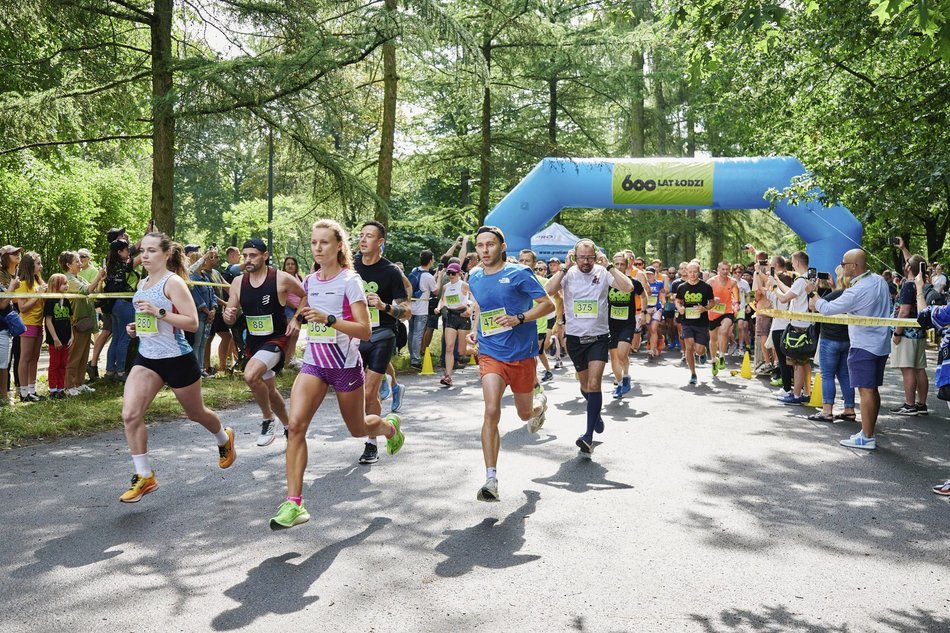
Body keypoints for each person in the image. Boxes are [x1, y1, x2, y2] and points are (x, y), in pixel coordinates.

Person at [270, 220, 403, 529]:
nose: (317, 248)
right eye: (314, 242)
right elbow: (305, 306)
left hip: (344, 366)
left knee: (358, 429)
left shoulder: (350, 281)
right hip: (315, 363)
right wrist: (298, 320)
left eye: (324, 243)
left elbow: (365, 329)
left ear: (339, 246)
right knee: (296, 426)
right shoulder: (310, 280)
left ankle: (389, 428)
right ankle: (294, 503)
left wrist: (330, 319)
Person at [119, 232, 235, 502]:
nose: (144, 256)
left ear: (165, 254)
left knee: (196, 414)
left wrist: (158, 313)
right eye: (142, 251)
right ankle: (144, 475)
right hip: (148, 358)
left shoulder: (174, 283)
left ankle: (223, 437)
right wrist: (137, 328)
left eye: (150, 251)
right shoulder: (143, 283)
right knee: (130, 414)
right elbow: (150, 322)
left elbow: (192, 323)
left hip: (177, 357)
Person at [467, 226, 552, 501]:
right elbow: (481, 306)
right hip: (491, 352)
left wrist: (520, 318)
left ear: (502, 247)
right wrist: (474, 328)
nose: (485, 250)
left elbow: (547, 305)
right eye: (480, 245)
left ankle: (540, 406)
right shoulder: (475, 276)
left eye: (490, 245)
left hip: (521, 353)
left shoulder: (519, 273)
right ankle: (491, 479)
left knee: (524, 414)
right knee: (491, 410)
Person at [545, 239, 633, 455]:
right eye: (581, 257)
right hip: (575, 340)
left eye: (590, 257)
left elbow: (628, 287)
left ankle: (588, 437)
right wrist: (564, 267)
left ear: (597, 256)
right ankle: (596, 414)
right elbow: (547, 290)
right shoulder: (568, 273)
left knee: (594, 385)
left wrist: (609, 266)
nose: (585, 262)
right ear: (574, 257)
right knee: (585, 388)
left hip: (599, 337)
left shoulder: (603, 272)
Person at [223, 239, 304, 447]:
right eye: (245, 255)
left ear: (265, 255)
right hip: (254, 342)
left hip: (277, 338)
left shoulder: (281, 279)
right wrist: (228, 315)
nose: (248, 259)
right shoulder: (238, 282)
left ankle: (268, 419)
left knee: (250, 375)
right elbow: (229, 318)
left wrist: (296, 319)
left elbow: (305, 296)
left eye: (253, 255)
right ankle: (288, 427)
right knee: (269, 389)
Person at [810, 249, 892, 450]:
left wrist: (812, 294)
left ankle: (867, 436)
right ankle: (867, 432)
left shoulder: (857, 290)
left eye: (844, 263)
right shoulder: (879, 280)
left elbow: (827, 309)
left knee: (866, 391)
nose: (842, 265)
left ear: (854, 266)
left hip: (864, 345)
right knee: (872, 389)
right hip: (880, 343)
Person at [353, 221, 410, 466]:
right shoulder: (350, 267)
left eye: (369, 236)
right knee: (355, 394)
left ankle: (371, 444)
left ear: (380, 242)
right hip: (354, 334)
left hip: (382, 334)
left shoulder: (390, 272)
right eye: (361, 235)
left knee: (368, 392)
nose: (363, 239)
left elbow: (406, 311)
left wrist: (384, 306)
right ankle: (388, 428)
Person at [807, 265, 856, 423]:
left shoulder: (833, 295)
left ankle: (827, 410)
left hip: (830, 340)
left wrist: (812, 291)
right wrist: (833, 287)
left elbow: (814, 307)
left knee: (827, 375)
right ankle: (849, 409)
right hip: (847, 340)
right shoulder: (852, 294)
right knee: (845, 375)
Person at [770, 251, 813, 404]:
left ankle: (795, 395)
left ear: (798, 263)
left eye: (793, 262)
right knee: (805, 362)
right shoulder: (809, 278)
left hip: (799, 325)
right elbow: (790, 292)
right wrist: (776, 280)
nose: (792, 265)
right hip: (807, 324)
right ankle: (806, 392)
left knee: (798, 363)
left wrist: (774, 287)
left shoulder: (801, 280)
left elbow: (783, 298)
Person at [889, 254, 929, 416]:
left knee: (908, 370)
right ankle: (921, 404)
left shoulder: (908, 285)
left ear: (908, 268)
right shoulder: (923, 285)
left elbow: (904, 312)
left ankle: (909, 404)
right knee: (920, 369)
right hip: (920, 332)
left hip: (906, 334)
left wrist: (897, 332)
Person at [64, 250, 106, 396]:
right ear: (68, 265)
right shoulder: (68, 279)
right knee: (74, 355)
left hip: (87, 322)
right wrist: (98, 277)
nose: (80, 263)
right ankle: (69, 386)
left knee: (83, 355)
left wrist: (100, 280)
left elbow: (93, 290)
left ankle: (79, 383)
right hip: (77, 322)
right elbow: (86, 290)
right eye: (77, 261)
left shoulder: (79, 278)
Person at [607, 252, 646, 399]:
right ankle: (619, 383)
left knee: (622, 353)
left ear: (627, 265)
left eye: (622, 264)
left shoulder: (632, 282)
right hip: (611, 324)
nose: (618, 267)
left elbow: (643, 295)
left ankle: (626, 376)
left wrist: (643, 312)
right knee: (614, 357)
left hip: (627, 323)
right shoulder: (607, 282)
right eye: (616, 264)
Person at [102, 239, 139, 381]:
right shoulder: (125, 265)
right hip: (125, 305)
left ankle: (110, 371)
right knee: (124, 339)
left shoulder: (111, 265)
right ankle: (121, 372)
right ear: (119, 252)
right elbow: (141, 257)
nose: (128, 252)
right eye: (126, 250)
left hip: (114, 305)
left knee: (116, 338)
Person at [674, 261, 714, 386]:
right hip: (687, 321)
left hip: (701, 322)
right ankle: (693, 373)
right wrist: (679, 307)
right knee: (689, 346)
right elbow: (678, 301)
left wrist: (705, 308)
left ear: (699, 272)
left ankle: (703, 353)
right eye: (690, 272)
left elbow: (712, 302)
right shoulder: (682, 287)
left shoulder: (706, 287)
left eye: (695, 272)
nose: (692, 274)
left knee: (699, 349)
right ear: (686, 272)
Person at [14, 252, 47, 401]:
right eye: (38, 263)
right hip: (28, 324)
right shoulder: (22, 284)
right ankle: (24, 393)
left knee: (35, 358)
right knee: (25, 357)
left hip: (39, 323)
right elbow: (22, 308)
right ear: (30, 265)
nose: (40, 266)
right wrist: (37, 295)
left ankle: (32, 391)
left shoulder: (38, 282)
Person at [433, 262, 471, 387]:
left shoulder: (464, 285)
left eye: (453, 273)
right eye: (448, 273)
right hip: (451, 316)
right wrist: (438, 308)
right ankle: (447, 376)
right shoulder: (446, 286)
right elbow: (443, 300)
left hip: (462, 317)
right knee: (449, 347)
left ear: (459, 273)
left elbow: (474, 300)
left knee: (462, 351)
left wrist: (469, 309)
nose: (450, 275)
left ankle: (481, 352)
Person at [518, 249, 554, 382]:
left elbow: (556, 300)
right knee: (526, 355)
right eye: (521, 260)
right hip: (519, 325)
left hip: (539, 326)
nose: (524, 263)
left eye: (527, 261)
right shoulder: (513, 280)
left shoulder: (542, 281)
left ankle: (534, 384)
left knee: (533, 355)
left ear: (533, 264)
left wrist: (557, 321)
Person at [707, 261, 739, 375]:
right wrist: (712, 299)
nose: (725, 272)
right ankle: (714, 360)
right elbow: (704, 296)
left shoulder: (733, 282)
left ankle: (721, 356)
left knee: (724, 331)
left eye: (727, 269)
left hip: (727, 311)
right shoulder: (711, 282)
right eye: (723, 269)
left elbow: (736, 296)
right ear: (718, 269)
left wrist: (736, 305)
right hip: (713, 312)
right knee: (713, 339)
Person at [408, 249, 438, 369]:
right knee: (418, 334)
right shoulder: (428, 276)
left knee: (411, 333)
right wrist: (439, 278)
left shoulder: (414, 271)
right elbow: (435, 291)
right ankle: (416, 360)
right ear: (430, 261)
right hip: (421, 309)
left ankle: (411, 357)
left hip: (411, 307)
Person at [43, 274, 72, 400]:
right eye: (64, 283)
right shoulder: (50, 300)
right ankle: (53, 390)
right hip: (55, 340)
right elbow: (48, 320)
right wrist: (55, 338)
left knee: (63, 363)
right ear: (55, 285)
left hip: (66, 338)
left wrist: (72, 336)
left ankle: (61, 389)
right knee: (54, 364)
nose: (67, 286)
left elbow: (70, 319)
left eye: (67, 283)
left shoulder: (66, 300)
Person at [0, 245, 23, 402]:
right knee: (3, 364)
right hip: (4, 321)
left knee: (6, 361)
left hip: (9, 321)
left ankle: (6, 394)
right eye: (13, 253)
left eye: (18, 252)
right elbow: (3, 303)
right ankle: (4, 394)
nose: (17, 255)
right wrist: (13, 287)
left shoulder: (18, 274)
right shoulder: (2, 276)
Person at [282, 256, 305, 369]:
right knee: (290, 335)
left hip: (299, 310)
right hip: (289, 310)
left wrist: (300, 308)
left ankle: (291, 359)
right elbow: (283, 298)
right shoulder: (283, 279)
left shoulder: (299, 278)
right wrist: (295, 306)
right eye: (288, 264)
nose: (290, 266)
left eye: (292, 264)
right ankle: (285, 363)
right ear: (285, 267)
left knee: (296, 335)